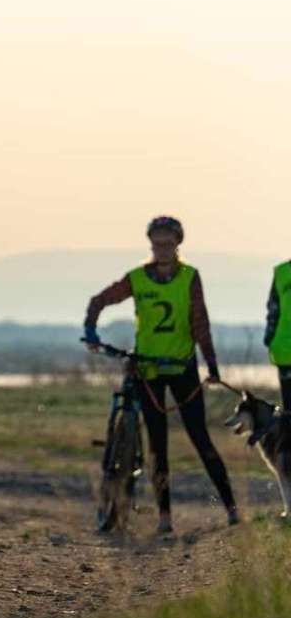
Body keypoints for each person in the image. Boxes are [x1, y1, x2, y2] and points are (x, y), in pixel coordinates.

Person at [83, 216, 238, 533]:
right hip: (148, 370)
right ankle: (165, 518)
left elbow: (200, 323)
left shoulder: (190, 277)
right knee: (158, 445)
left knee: (200, 437)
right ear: (150, 244)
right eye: (157, 243)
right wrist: (91, 330)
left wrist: (212, 366)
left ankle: (232, 510)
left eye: (168, 243)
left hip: (182, 367)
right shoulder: (138, 278)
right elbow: (99, 300)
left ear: (178, 244)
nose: (163, 249)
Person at [264, 260, 291, 410]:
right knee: (288, 411)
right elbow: (273, 309)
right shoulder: (281, 272)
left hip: (284, 350)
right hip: (285, 351)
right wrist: (270, 338)